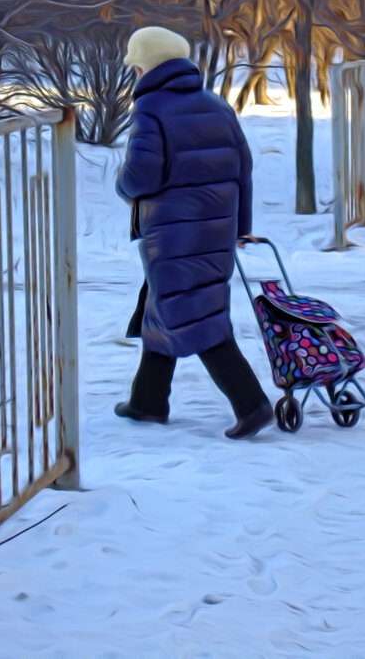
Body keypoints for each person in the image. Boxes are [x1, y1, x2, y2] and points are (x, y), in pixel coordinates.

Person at [113, 25, 273, 440]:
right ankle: (147, 401)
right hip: (214, 231)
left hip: (173, 234)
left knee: (194, 315)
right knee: (162, 307)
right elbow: (244, 171)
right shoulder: (217, 106)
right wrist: (241, 228)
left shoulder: (151, 109)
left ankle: (251, 403)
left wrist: (121, 185)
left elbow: (141, 176)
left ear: (147, 65)